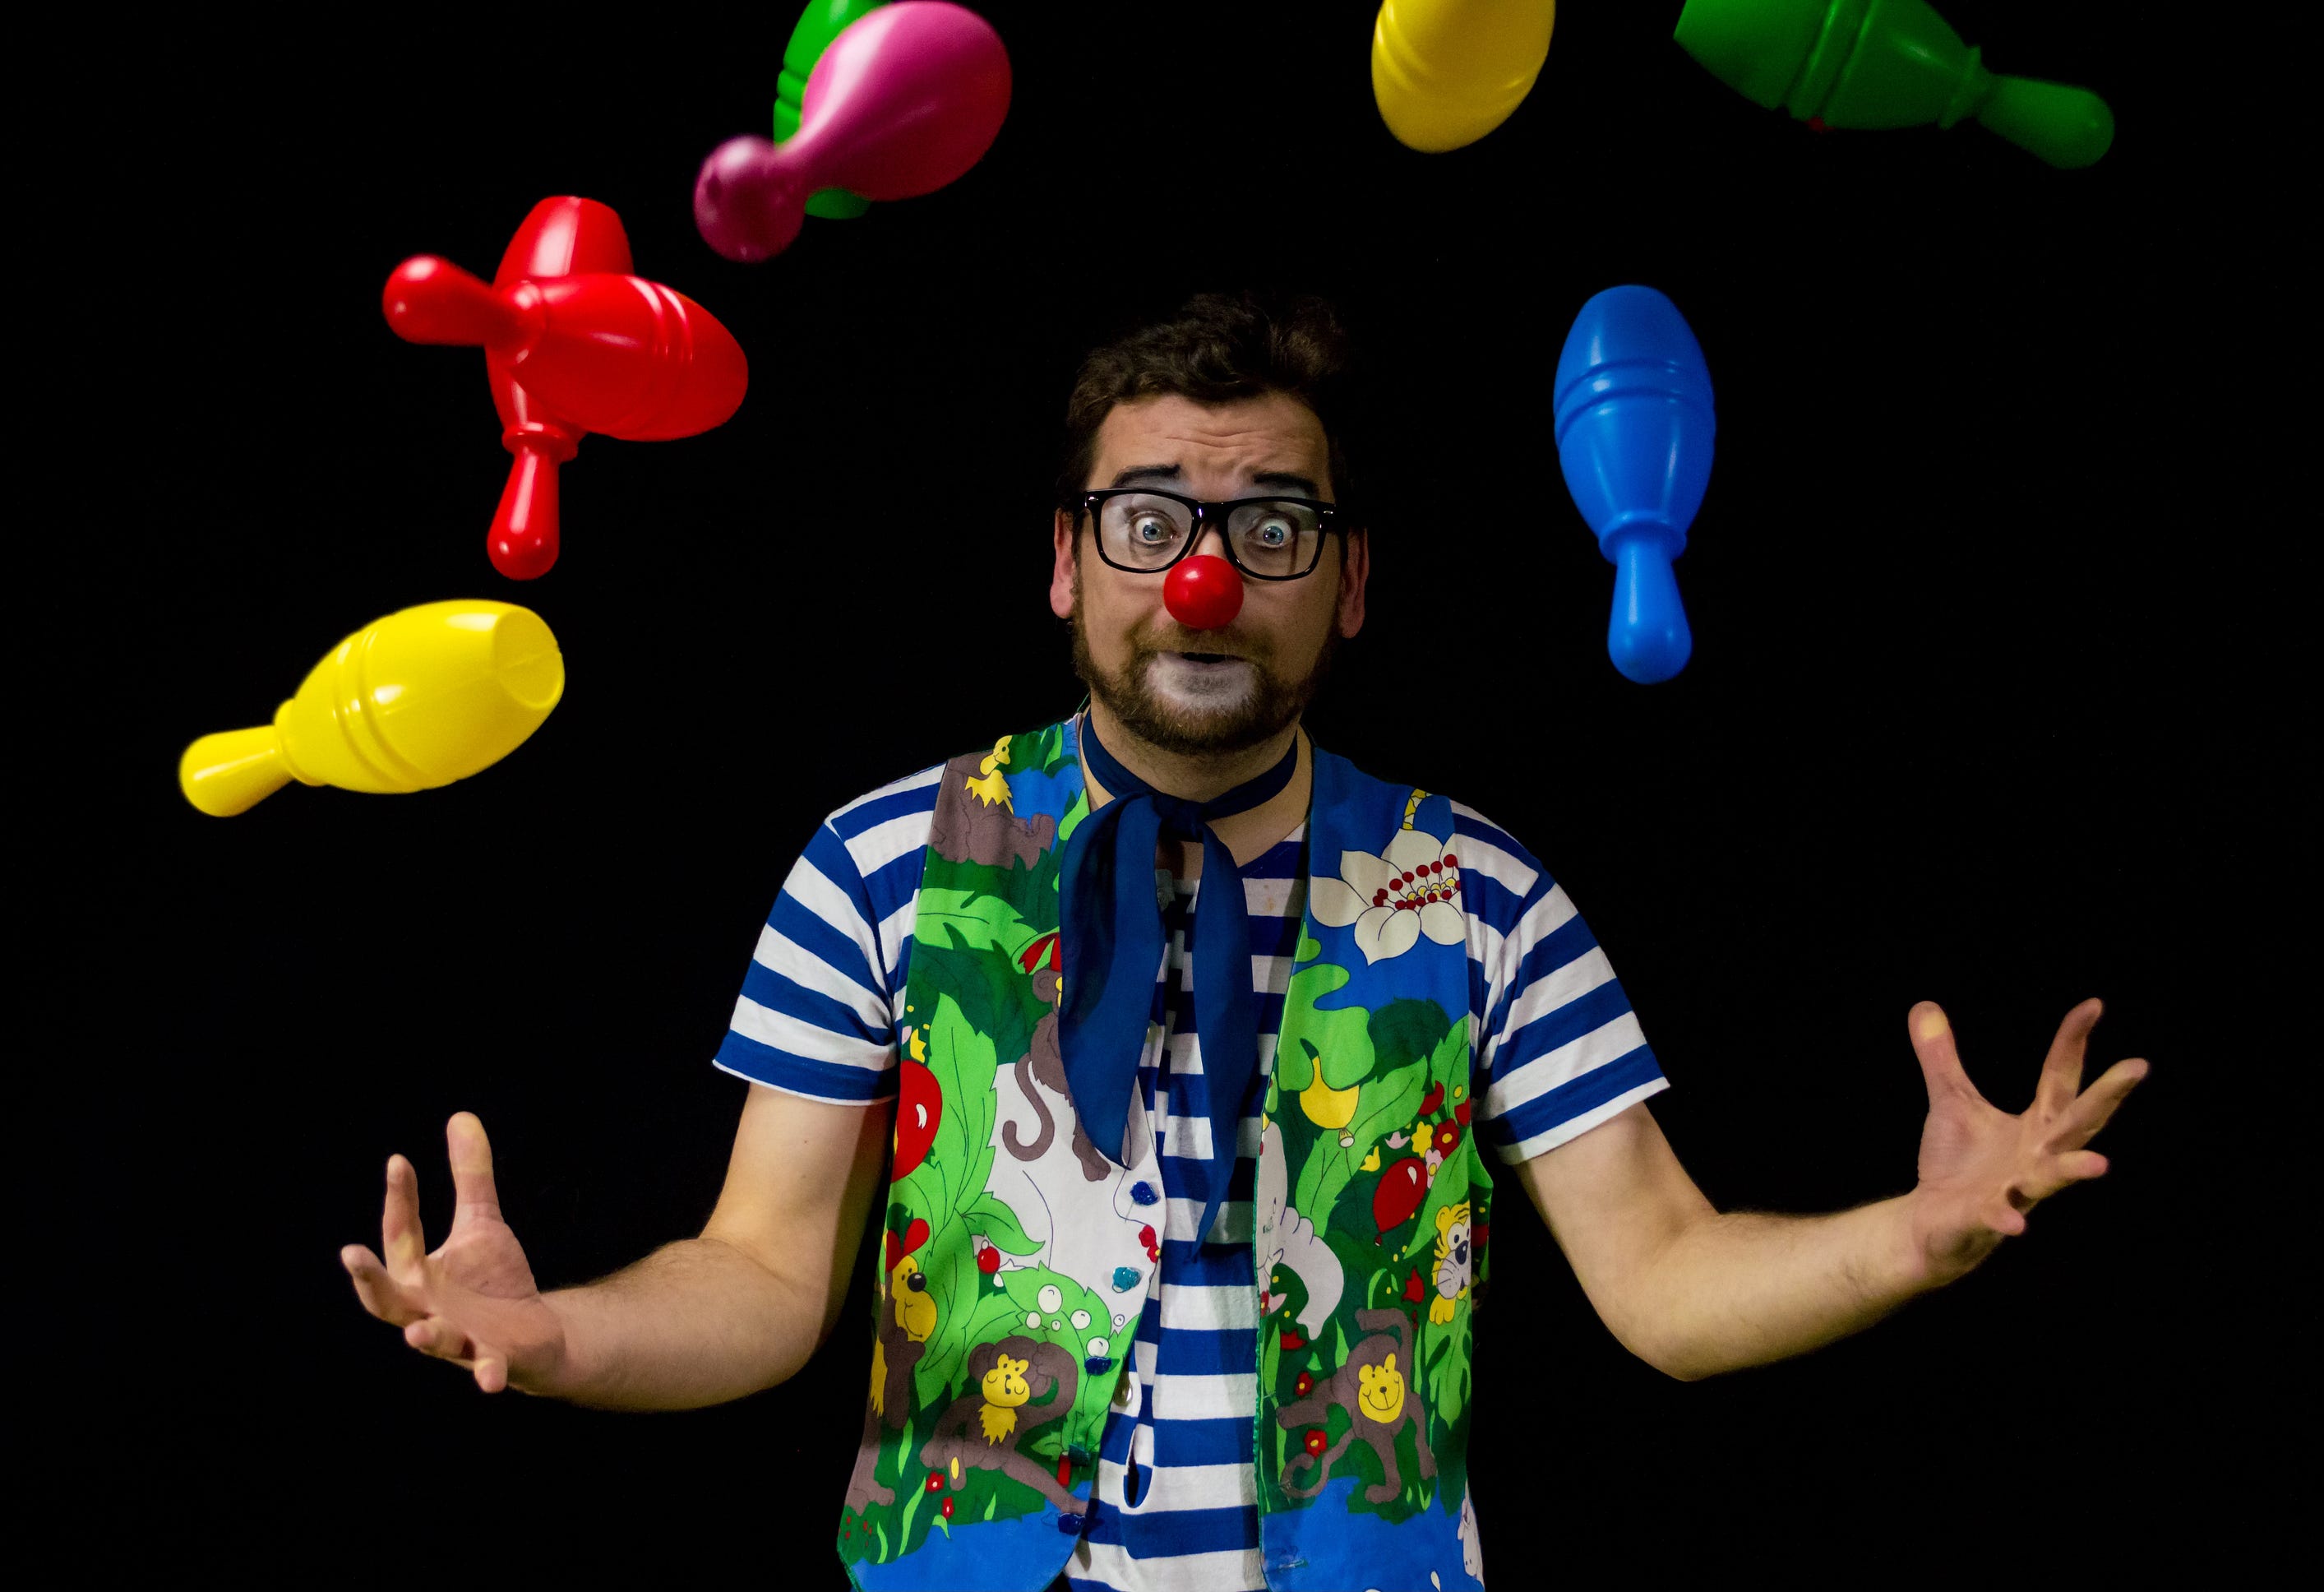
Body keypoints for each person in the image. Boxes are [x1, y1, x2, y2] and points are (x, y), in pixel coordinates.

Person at [340, 294, 2147, 1592]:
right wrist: (561, 1335)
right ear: (1067, 563)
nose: (1203, 571)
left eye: (1269, 522)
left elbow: (1667, 1280)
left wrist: (1908, 1243)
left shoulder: (1477, 888)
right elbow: (754, 1278)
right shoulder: (885, 860)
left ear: (1344, 582)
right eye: (1150, 520)